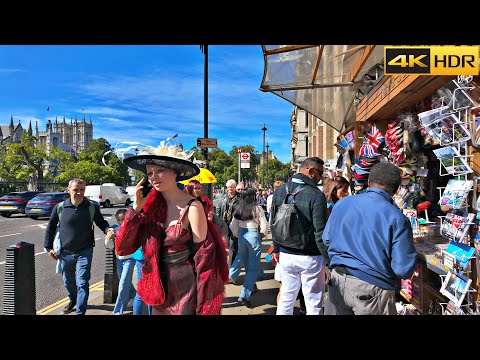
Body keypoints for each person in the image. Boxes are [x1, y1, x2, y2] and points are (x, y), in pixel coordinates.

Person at [115, 142, 228, 315]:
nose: (153, 177)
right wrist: (136, 209)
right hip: (156, 285)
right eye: (150, 173)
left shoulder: (193, 206)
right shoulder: (149, 207)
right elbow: (122, 248)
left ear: (175, 172)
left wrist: (206, 306)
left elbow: (205, 263)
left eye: (160, 170)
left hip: (185, 287)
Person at [322, 162, 417, 315]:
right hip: (372, 288)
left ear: (368, 182)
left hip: (337, 282)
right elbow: (403, 268)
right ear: (397, 189)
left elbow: (326, 239)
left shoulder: (342, 204)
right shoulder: (396, 217)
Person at [44, 178, 111, 315]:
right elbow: (50, 228)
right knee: (68, 282)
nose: (79, 193)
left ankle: (80, 312)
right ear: (68, 190)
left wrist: (108, 230)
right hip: (65, 252)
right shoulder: (60, 207)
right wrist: (48, 247)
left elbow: (101, 222)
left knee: (82, 282)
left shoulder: (91, 207)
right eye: (76, 190)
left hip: (84, 251)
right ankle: (73, 300)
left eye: (82, 190)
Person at [271, 157, 328, 315]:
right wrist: (328, 258)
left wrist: (276, 249)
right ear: (310, 171)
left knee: (286, 298)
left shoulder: (280, 191)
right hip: (310, 257)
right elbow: (320, 232)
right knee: (313, 302)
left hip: (286, 254)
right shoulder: (316, 195)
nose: (321, 177)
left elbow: (274, 224)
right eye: (320, 173)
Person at [228, 188, 268, 308]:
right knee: (253, 266)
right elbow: (264, 224)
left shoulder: (238, 208)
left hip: (241, 235)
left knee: (244, 261)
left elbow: (232, 225)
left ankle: (251, 285)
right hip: (253, 234)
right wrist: (261, 234)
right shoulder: (257, 208)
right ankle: (245, 295)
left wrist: (237, 234)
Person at [105, 208, 136, 315]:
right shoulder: (114, 229)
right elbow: (109, 246)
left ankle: (118, 311)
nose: (121, 222)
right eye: (119, 220)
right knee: (124, 281)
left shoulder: (132, 228)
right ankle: (133, 296)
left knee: (122, 284)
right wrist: (109, 238)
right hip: (119, 259)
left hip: (130, 259)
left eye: (123, 219)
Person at [216, 179, 241, 268]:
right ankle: (224, 266)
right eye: (229, 187)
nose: (230, 189)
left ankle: (231, 269)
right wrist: (219, 222)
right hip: (224, 225)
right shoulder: (223, 197)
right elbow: (218, 209)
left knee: (233, 247)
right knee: (223, 247)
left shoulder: (240, 198)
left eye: (232, 187)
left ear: (235, 187)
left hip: (234, 226)